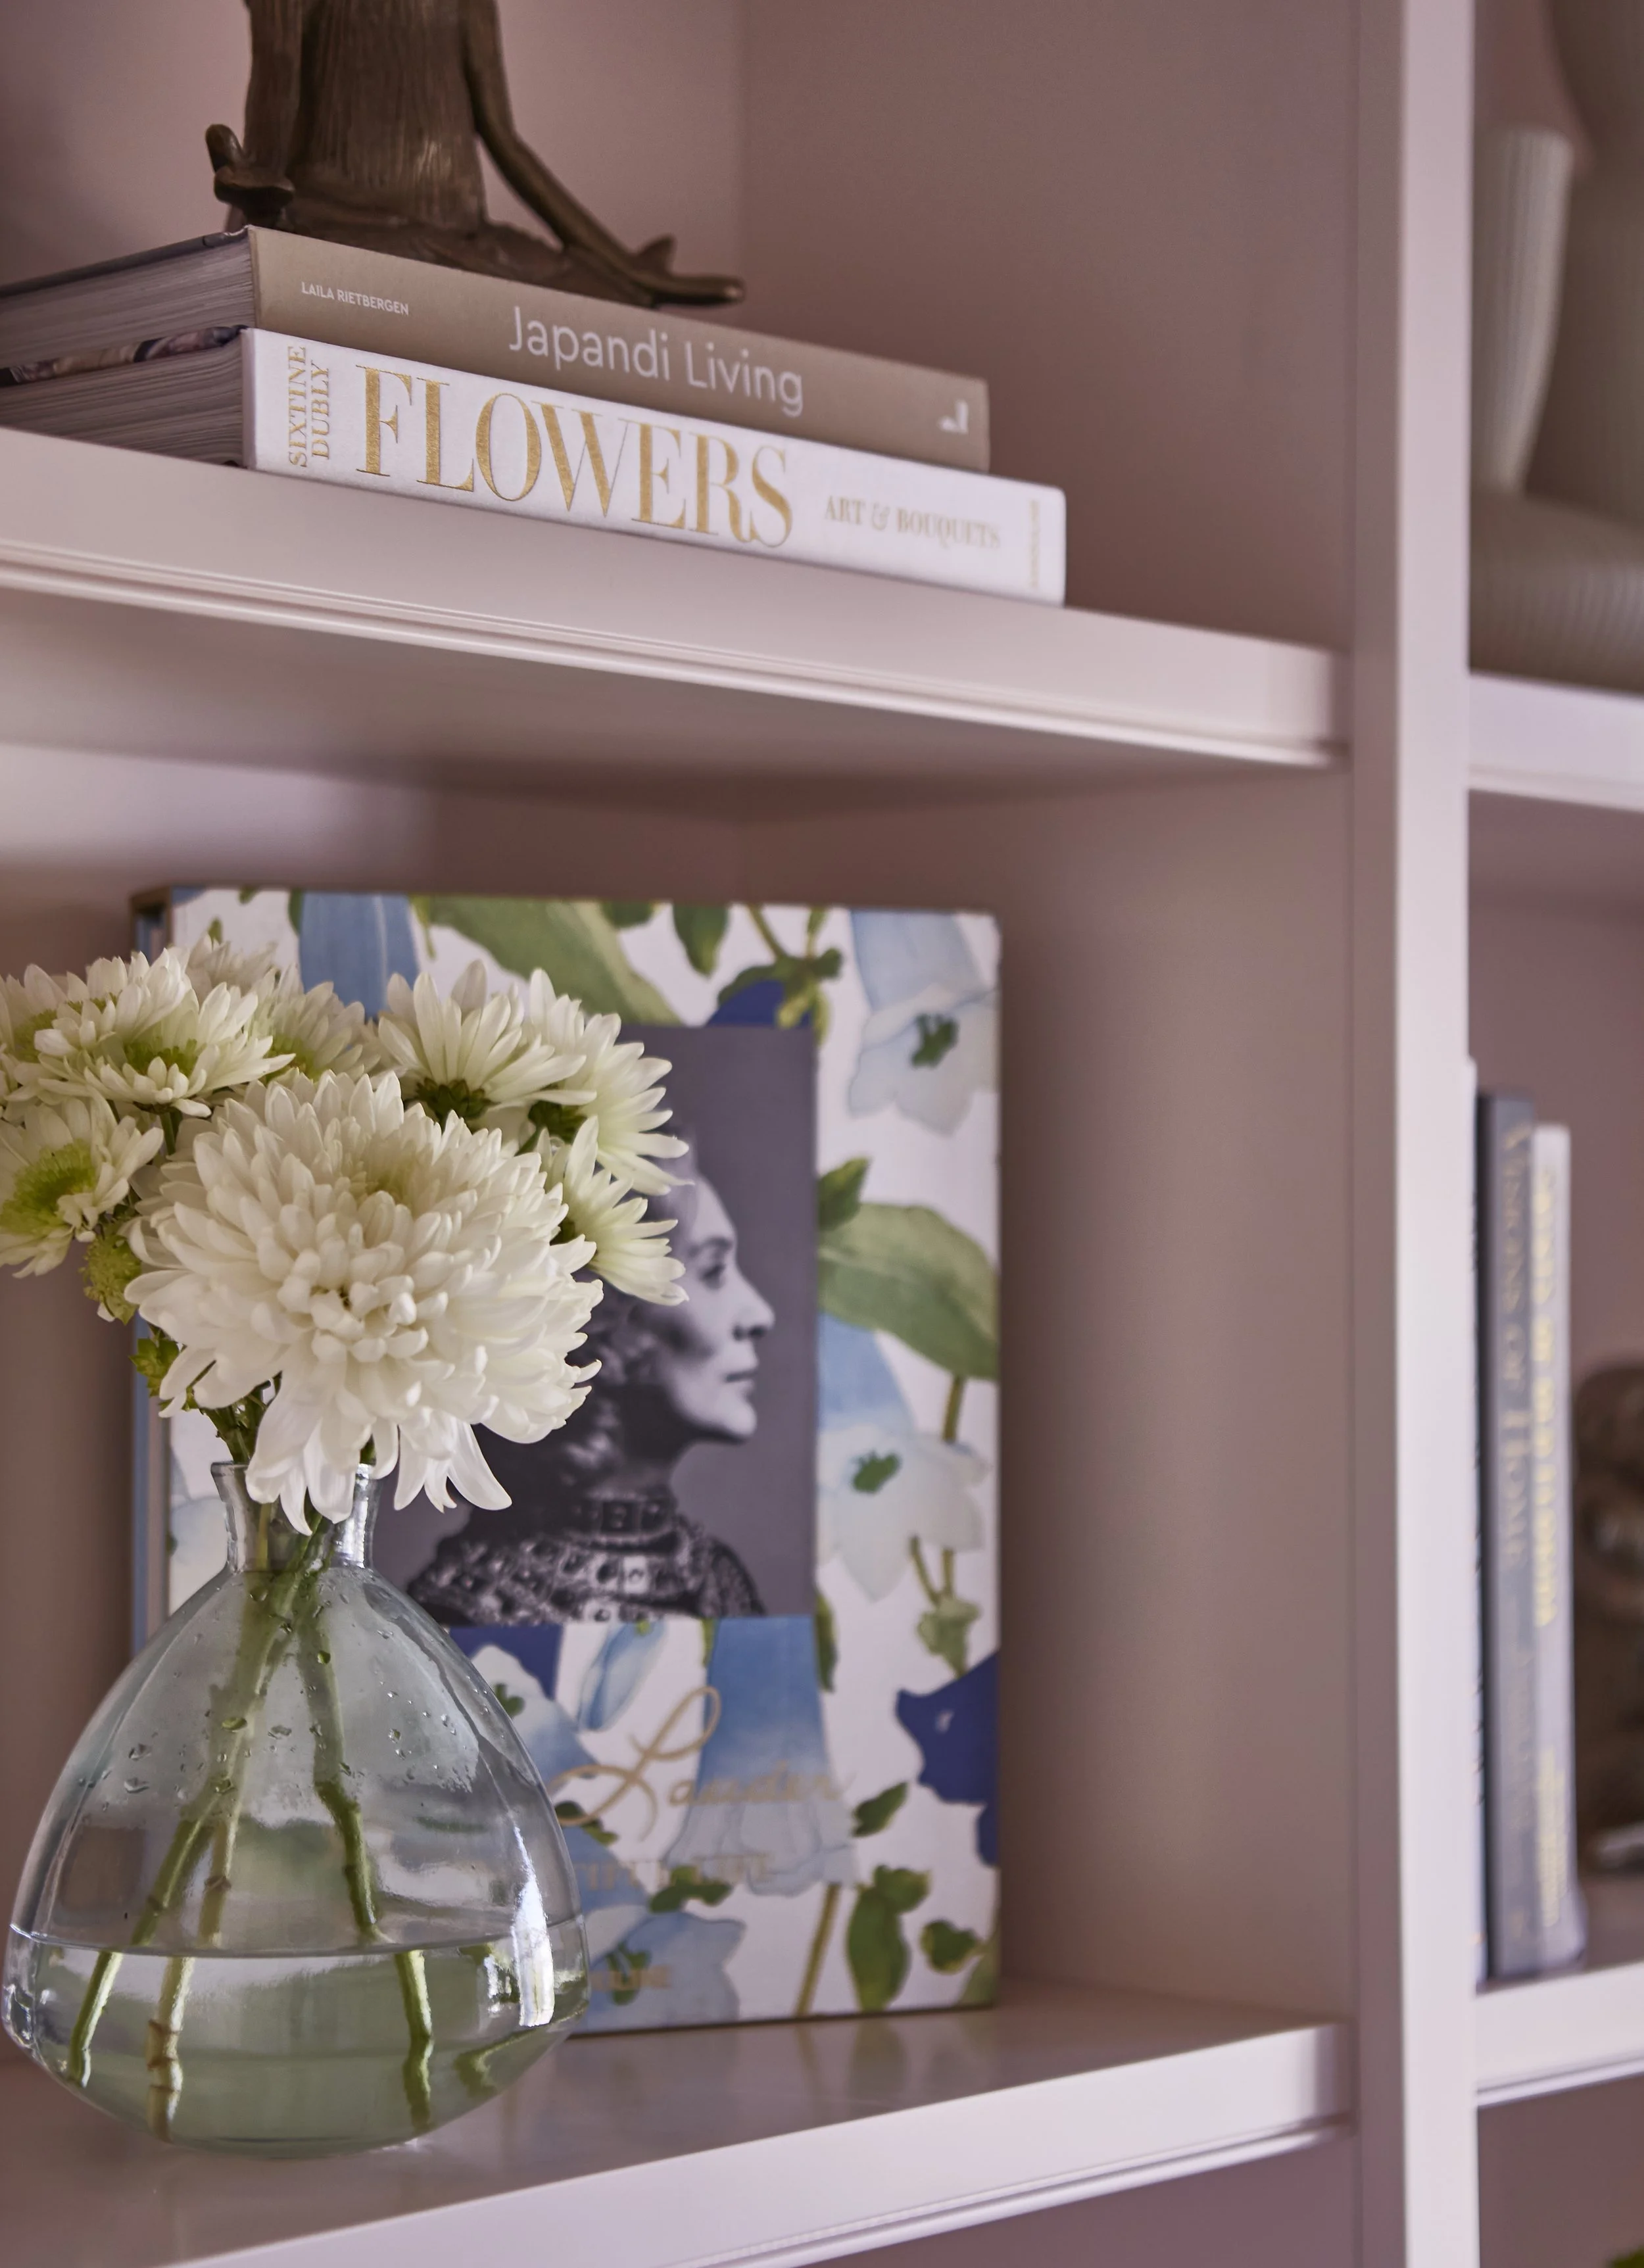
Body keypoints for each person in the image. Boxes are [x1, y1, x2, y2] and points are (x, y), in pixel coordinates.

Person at [411, 1157, 776, 1623]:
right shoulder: (464, 1609)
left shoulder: (721, 1581)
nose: (760, 1314)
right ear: (598, 1306)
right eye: (713, 1271)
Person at [206, 0, 744, 307]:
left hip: (467, 235)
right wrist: (261, 179)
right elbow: (278, 71)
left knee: (610, 305)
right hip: (341, 226)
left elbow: (505, 138)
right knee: (343, 276)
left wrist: (622, 265)